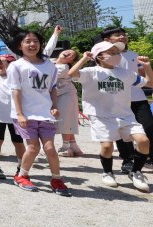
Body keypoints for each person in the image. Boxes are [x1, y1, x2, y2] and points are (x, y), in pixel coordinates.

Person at [68, 41, 152, 192]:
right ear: (99, 56)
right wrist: (84, 59)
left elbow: (149, 83)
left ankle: (136, 172)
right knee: (107, 147)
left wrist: (147, 67)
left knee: (144, 141)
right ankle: (107, 172)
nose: (117, 55)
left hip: (125, 115)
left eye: (117, 52)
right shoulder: (91, 72)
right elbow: (71, 74)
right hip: (101, 116)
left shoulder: (125, 73)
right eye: (112, 52)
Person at [7, 30, 71, 196]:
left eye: (35, 41)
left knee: (50, 148)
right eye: (27, 41)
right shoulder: (16, 66)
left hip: (46, 114)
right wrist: (20, 114)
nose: (32, 44)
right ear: (20, 45)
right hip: (26, 115)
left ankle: (56, 178)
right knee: (33, 147)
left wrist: (55, 106)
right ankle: (22, 176)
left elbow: (53, 88)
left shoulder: (50, 65)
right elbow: (15, 91)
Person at [101, 27, 153, 171]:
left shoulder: (134, 55)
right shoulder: (103, 56)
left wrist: (146, 66)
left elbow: (147, 80)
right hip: (116, 100)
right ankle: (128, 160)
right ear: (107, 40)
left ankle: (147, 157)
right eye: (117, 35)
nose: (122, 37)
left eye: (124, 34)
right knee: (122, 132)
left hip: (138, 98)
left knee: (148, 128)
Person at [43, 25, 84, 157]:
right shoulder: (51, 61)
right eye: (68, 51)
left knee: (65, 119)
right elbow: (47, 50)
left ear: (72, 60)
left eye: (71, 55)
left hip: (66, 93)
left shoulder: (63, 67)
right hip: (56, 94)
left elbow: (50, 73)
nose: (68, 53)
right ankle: (73, 146)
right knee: (64, 118)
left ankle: (66, 147)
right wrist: (55, 34)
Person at [0, 54, 26, 180]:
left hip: (16, 116)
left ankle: (21, 166)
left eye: (4, 62)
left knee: (18, 143)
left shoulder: (18, 78)